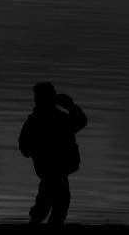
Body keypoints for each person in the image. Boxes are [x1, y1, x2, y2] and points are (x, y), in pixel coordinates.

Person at [18, 82, 88, 226]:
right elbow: (24, 148)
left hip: (55, 168)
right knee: (52, 200)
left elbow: (81, 121)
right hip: (52, 168)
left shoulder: (47, 120)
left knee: (56, 200)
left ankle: (43, 222)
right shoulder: (42, 121)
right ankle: (41, 221)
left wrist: (70, 106)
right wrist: (70, 105)